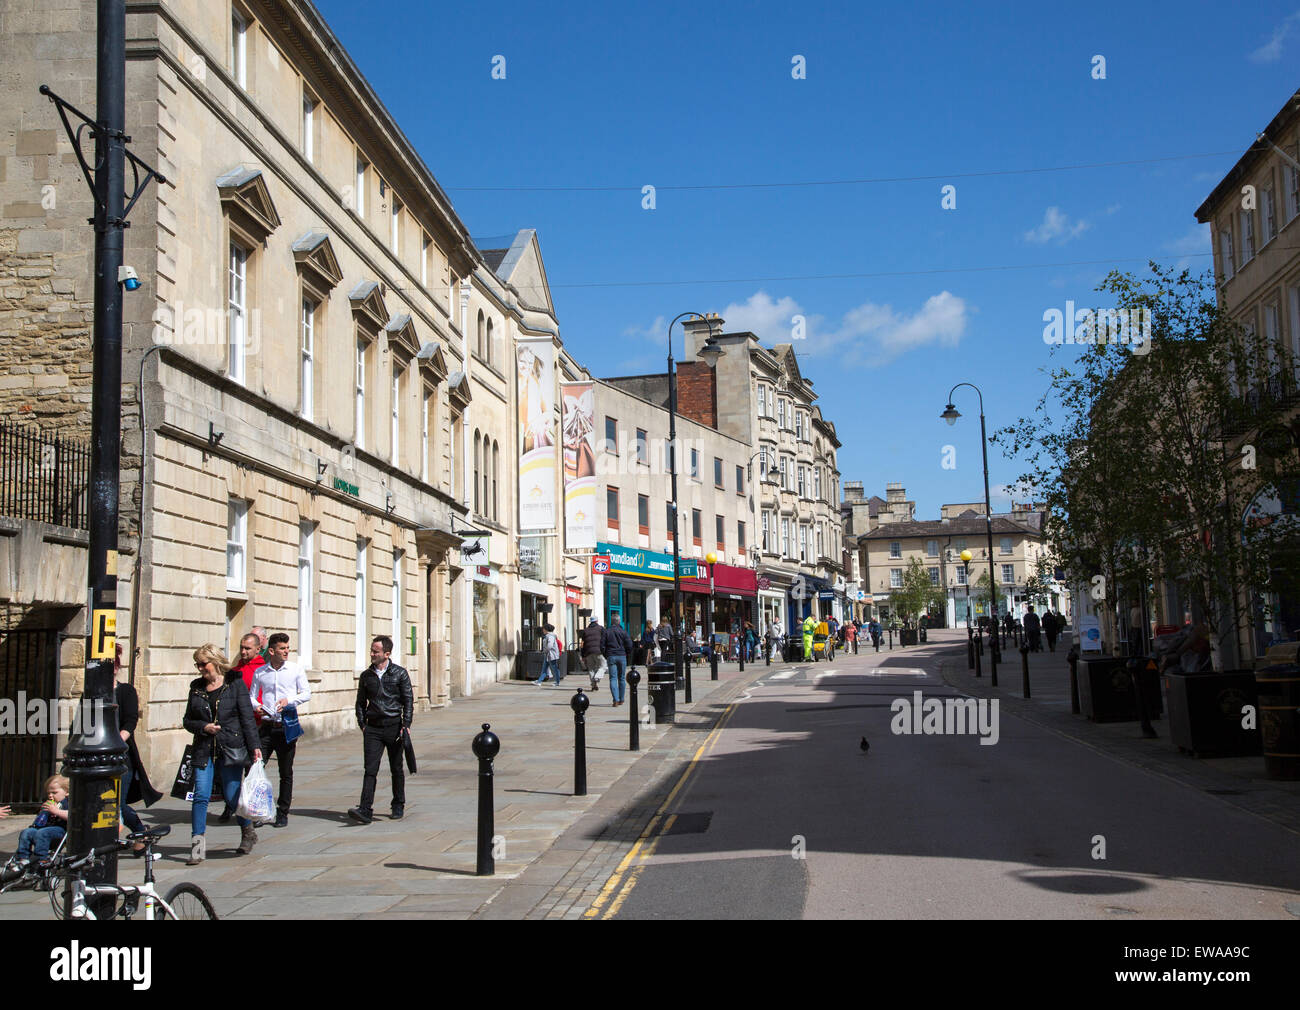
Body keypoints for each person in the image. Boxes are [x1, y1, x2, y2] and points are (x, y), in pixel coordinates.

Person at [182, 645, 263, 864]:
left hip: (230, 747)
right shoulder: (196, 687)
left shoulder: (234, 684)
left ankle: (247, 831)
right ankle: (197, 848)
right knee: (200, 796)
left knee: (232, 795)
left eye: (203, 664)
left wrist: (255, 747)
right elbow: (187, 720)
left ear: (215, 662)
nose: (200, 669)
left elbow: (247, 717)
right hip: (204, 748)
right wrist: (203, 727)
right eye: (197, 664)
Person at [349, 636, 413, 824]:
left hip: (394, 727)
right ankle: (365, 808)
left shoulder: (399, 674)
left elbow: (408, 700)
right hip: (373, 729)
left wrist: (406, 725)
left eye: (375, 651)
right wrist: (362, 724)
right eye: (371, 650)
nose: (372, 654)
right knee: (370, 769)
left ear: (386, 654)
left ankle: (398, 803)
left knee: (396, 768)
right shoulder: (366, 676)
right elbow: (360, 702)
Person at [252, 632, 311, 828]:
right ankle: (261, 811)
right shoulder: (261, 672)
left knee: (285, 772)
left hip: (286, 725)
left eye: (287, 648)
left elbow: (306, 693)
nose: (286, 651)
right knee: (258, 767)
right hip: (267, 726)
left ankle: (282, 811)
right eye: (282, 648)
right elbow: (252, 696)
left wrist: (289, 701)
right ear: (272, 651)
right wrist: (257, 706)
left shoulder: (295, 669)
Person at [220, 632, 267, 823]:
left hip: (255, 725)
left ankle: (253, 810)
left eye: (248, 648)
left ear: (258, 649)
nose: (243, 651)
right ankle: (230, 806)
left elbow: (264, 695)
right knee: (232, 771)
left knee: (252, 770)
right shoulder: (234, 670)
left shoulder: (263, 669)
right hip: (235, 729)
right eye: (241, 647)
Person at [116, 671, 162, 854]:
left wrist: (118, 743)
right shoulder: (91, 693)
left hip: (122, 757)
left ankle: (140, 831)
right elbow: (82, 722)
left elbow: (130, 720)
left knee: (117, 803)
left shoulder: (125, 691)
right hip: (95, 759)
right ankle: (139, 832)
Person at [5, 775, 69, 872]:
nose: (50, 795)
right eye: (49, 793)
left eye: (54, 792)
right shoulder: (49, 803)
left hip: (60, 831)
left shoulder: (67, 802)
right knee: (27, 832)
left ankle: (39, 858)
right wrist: (43, 813)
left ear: (67, 792)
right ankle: (23, 858)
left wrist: (56, 811)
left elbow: (70, 816)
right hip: (44, 829)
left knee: (42, 833)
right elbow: (39, 822)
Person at [602, 614, 633, 707]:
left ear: (612, 621)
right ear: (619, 621)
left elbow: (602, 645)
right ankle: (621, 699)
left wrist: (606, 655)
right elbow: (629, 644)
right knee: (622, 678)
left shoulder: (607, 632)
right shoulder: (623, 632)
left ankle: (615, 699)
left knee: (613, 678)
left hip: (611, 655)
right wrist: (626, 653)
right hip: (621, 655)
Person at [582, 615, 607, 691]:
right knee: (603, 666)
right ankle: (597, 677)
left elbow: (583, 643)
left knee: (591, 669)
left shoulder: (585, 630)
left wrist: (583, 655)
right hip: (598, 651)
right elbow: (604, 640)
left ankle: (593, 685)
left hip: (588, 652)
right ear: (597, 621)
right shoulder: (601, 629)